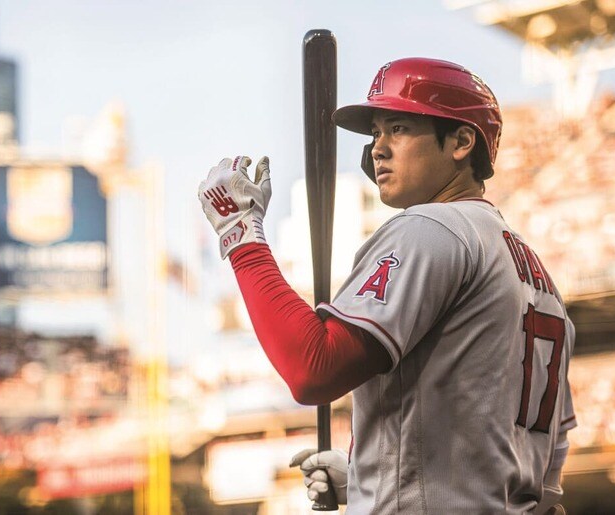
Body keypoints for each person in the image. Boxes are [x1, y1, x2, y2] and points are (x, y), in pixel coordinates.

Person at [198, 57, 576, 514]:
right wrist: (370, 477)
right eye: (376, 133)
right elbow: (539, 460)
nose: (377, 148)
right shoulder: (539, 278)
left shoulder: (432, 228)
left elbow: (313, 367)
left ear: (461, 142)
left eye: (398, 128)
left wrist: (241, 236)